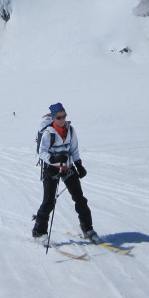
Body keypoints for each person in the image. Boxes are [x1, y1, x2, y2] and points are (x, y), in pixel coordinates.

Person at [32, 102, 98, 241]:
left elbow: (74, 149)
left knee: (80, 199)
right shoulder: (48, 133)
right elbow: (42, 153)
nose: (62, 120)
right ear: (53, 118)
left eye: (64, 116)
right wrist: (54, 158)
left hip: (68, 168)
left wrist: (78, 165)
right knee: (49, 201)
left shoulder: (71, 130)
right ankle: (39, 232)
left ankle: (88, 228)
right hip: (51, 169)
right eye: (59, 117)